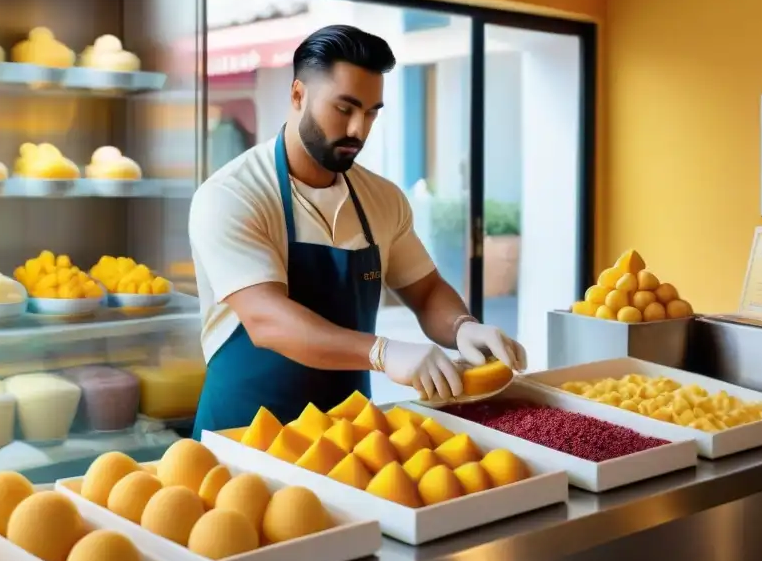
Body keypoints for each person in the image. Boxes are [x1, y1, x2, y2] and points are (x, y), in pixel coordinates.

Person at [189, 24, 526, 436]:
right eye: (344, 109)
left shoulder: (382, 199)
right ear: (298, 95)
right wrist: (382, 351)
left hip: (349, 439)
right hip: (244, 438)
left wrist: (463, 327)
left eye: (371, 112)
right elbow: (266, 319)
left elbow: (426, 290)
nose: (359, 130)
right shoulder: (233, 194)